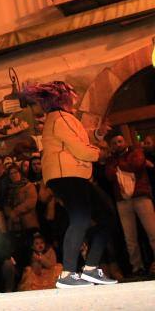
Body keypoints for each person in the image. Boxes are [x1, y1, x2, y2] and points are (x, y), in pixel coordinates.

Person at [22, 81, 117, 288]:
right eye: (72, 94)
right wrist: (100, 153)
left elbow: (79, 140)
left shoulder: (62, 119)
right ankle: (68, 273)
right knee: (82, 219)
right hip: (66, 175)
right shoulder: (60, 118)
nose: (74, 97)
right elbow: (80, 149)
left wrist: (98, 135)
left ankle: (90, 268)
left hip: (72, 175)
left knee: (105, 216)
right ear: (63, 98)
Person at [103, 130, 155, 276]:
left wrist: (119, 165)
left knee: (152, 232)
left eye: (120, 141)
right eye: (114, 143)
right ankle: (137, 267)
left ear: (125, 141)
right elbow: (109, 175)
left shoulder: (136, 151)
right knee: (129, 237)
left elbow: (136, 165)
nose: (117, 145)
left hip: (141, 195)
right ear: (111, 146)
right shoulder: (111, 159)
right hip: (123, 200)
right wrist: (119, 165)